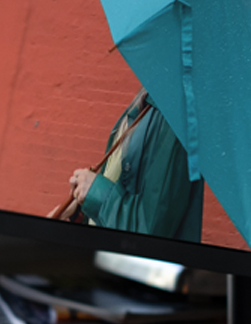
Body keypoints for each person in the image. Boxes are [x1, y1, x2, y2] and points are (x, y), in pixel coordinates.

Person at [67, 91, 204, 241]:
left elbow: (150, 231)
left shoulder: (176, 113)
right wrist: (80, 212)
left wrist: (96, 194)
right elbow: (122, 185)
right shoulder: (148, 97)